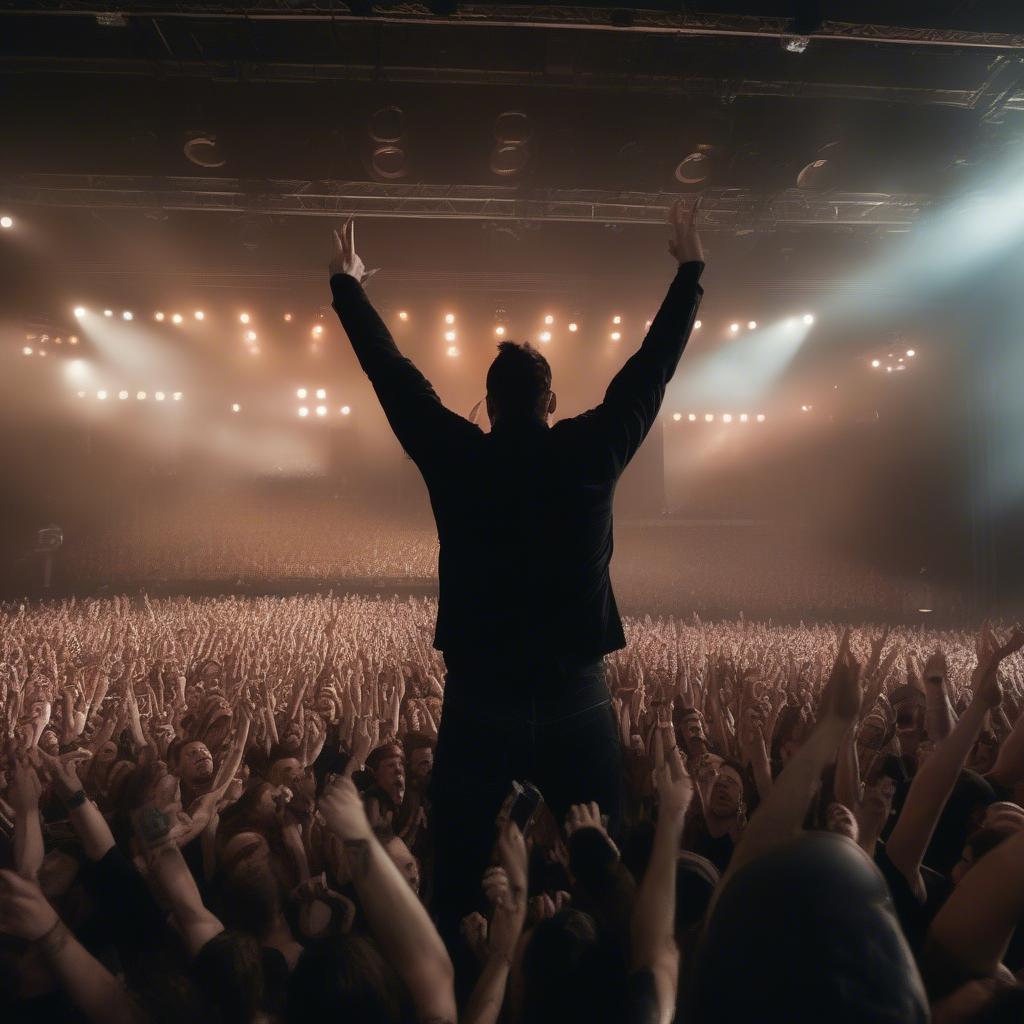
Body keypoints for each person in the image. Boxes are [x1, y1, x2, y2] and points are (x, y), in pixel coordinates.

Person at [328, 203, 705, 927]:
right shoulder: (591, 452)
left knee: (462, 875)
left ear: (489, 406)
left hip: (481, 700)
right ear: (550, 401)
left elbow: (393, 376)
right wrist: (690, 273)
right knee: (603, 866)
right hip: (577, 696)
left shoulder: (459, 456)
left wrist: (349, 287)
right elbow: (652, 371)